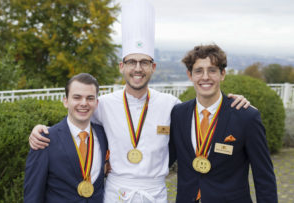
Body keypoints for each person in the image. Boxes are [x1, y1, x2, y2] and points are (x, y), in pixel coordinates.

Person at [28, 0, 250, 202]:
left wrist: (235, 101)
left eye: (144, 63)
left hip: (155, 192)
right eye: (131, 62)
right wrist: (42, 130)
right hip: (117, 193)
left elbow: (205, 117)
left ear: (153, 67)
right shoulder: (103, 103)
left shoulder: (170, 104)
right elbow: (75, 121)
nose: (137, 69)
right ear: (121, 66)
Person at [169, 44, 278, 203]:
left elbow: (264, 176)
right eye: (199, 71)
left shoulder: (246, 117)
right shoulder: (178, 114)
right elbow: (164, 158)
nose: (205, 77)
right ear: (190, 75)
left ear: (222, 74)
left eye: (212, 70)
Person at [24, 73, 108, 203]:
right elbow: (33, 195)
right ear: (65, 101)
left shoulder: (104, 135)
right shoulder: (45, 140)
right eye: (77, 97)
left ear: (96, 103)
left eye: (90, 98)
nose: (84, 103)